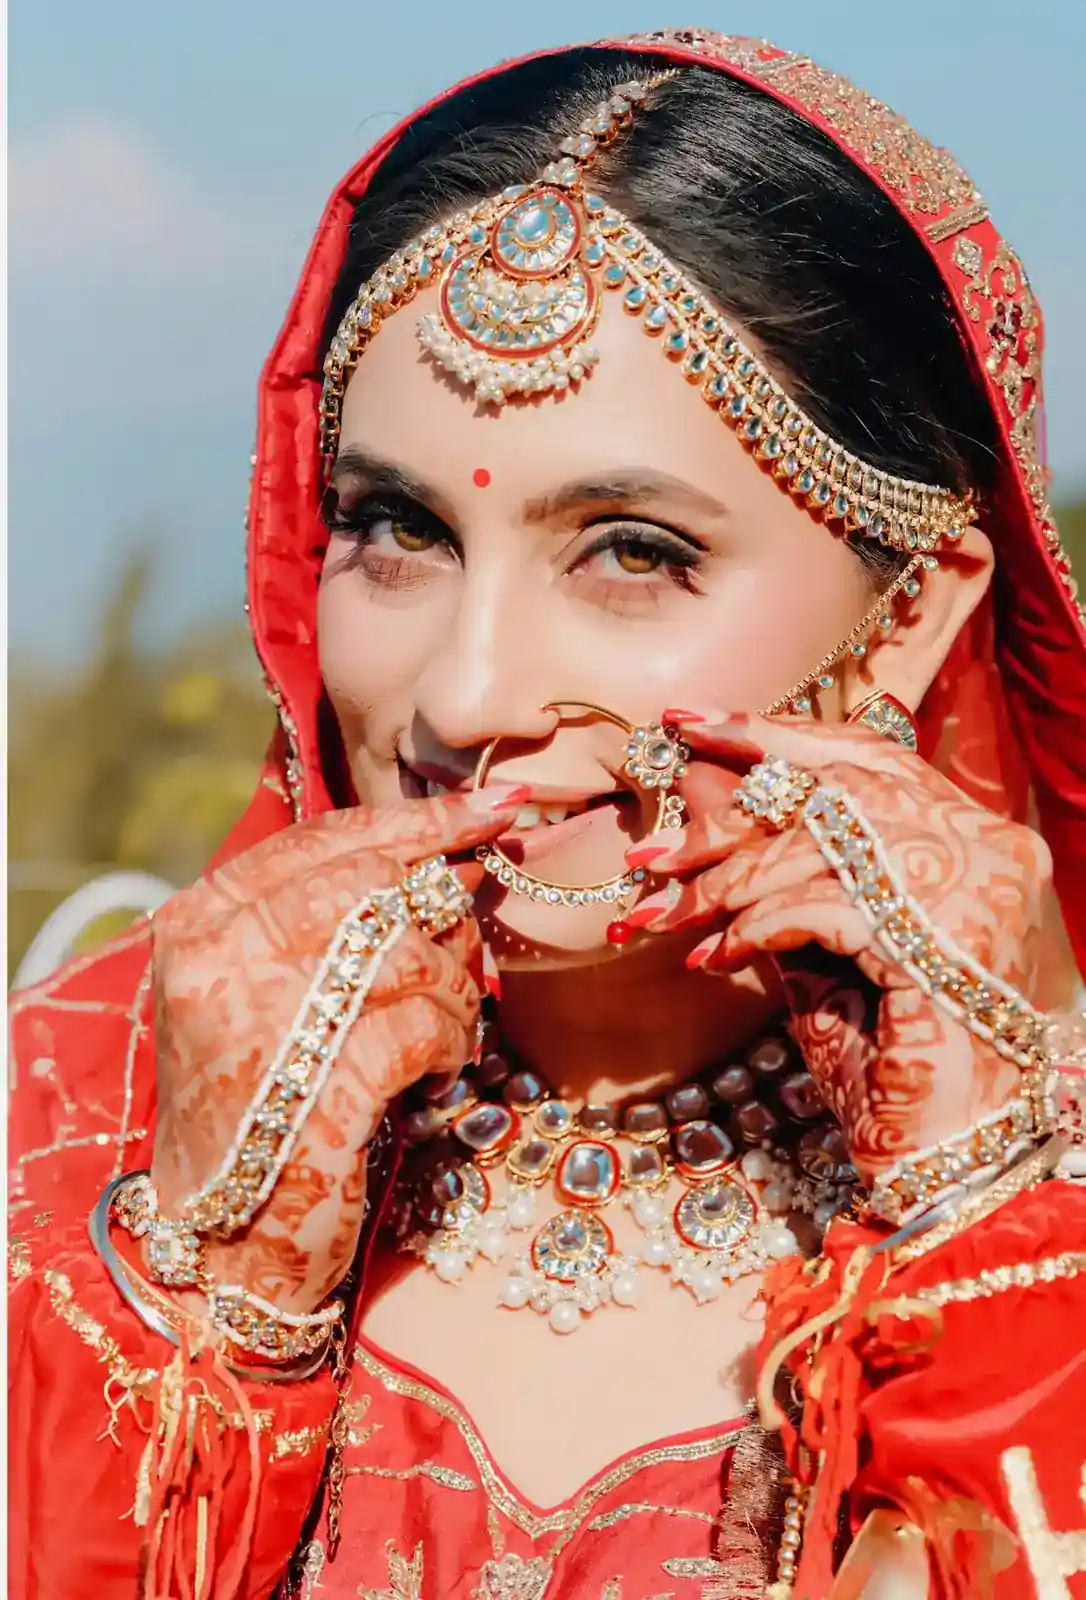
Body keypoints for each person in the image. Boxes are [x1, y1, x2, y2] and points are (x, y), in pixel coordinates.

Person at [9, 28, 1086, 1600]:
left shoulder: (1033, 1216)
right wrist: (207, 1274)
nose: (464, 693)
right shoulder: (63, 1129)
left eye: (632, 551)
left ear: (912, 611)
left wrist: (986, 1226)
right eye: (394, 529)